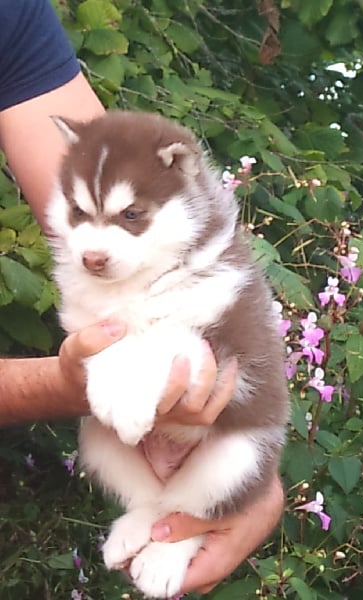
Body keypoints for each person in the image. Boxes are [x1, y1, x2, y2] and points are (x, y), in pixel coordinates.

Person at [0, 1, 284, 594]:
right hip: (137, 441)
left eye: (129, 217)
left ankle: (171, 521)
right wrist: (71, 381)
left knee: (230, 455)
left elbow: (109, 156)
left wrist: (244, 487)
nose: (92, 249)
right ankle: (153, 512)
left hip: (215, 448)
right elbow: (98, 369)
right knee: (101, 436)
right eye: (79, 215)